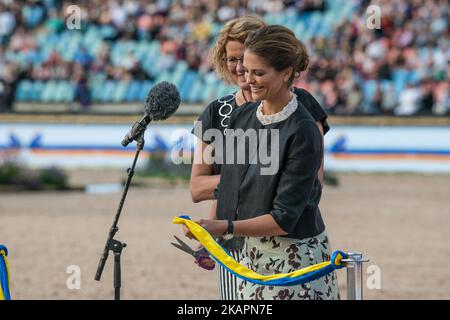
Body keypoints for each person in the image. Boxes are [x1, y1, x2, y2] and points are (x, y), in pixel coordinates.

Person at [185, 25, 340, 300]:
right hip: (249, 258)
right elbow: (231, 188)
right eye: (245, 69)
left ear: (286, 73)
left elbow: (284, 218)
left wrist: (223, 227)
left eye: (258, 72)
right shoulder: (240, 118)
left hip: (296, 263)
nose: (248, 79)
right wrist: (205, 229)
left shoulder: (303, 127)